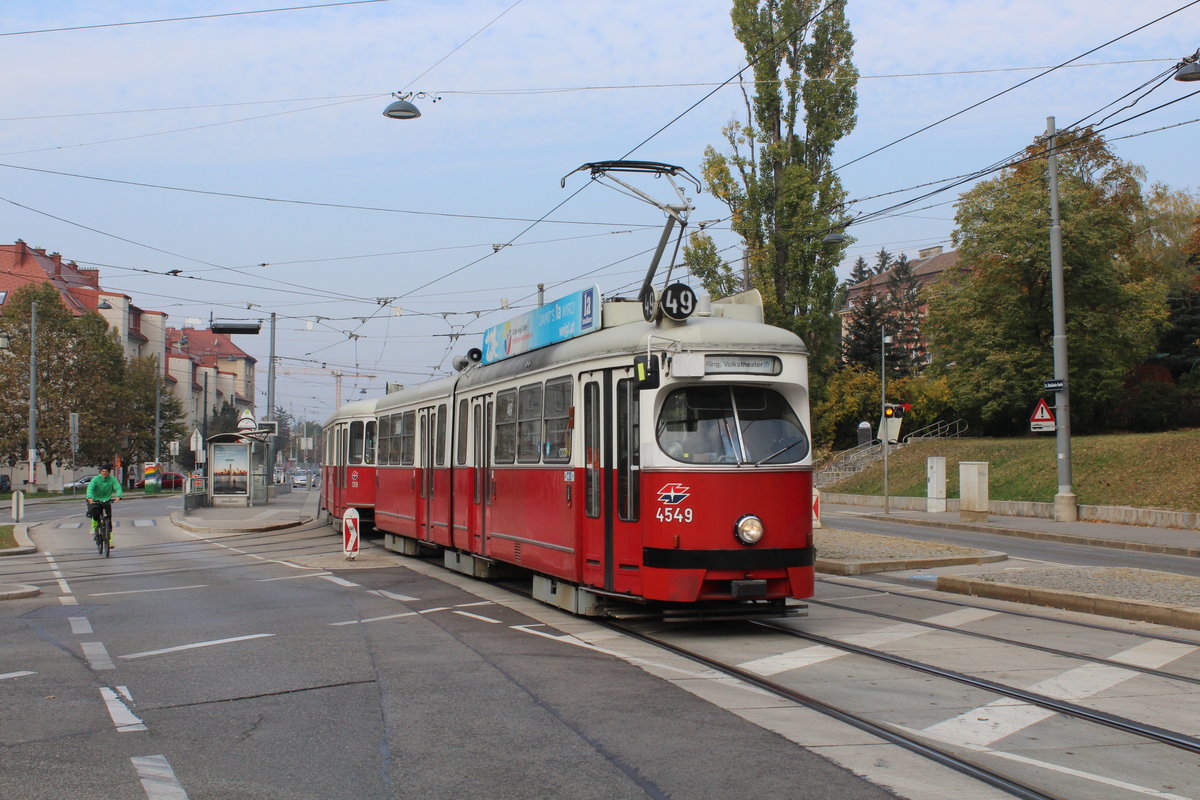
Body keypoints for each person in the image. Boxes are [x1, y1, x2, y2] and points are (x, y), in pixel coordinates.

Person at [86, 466, 123, 548]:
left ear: (109, 472)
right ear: (100, 472)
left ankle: (110, 540)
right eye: (103, 471)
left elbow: (118, 488)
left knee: (108, 520)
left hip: (106, 500)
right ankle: (94, 526)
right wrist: (90, 497)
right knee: (95, 511)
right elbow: (90, 488)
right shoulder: (96, 479)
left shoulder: (112, 479)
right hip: (96, 500)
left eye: (106, 471)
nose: (104, 473)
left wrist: (118, 496)